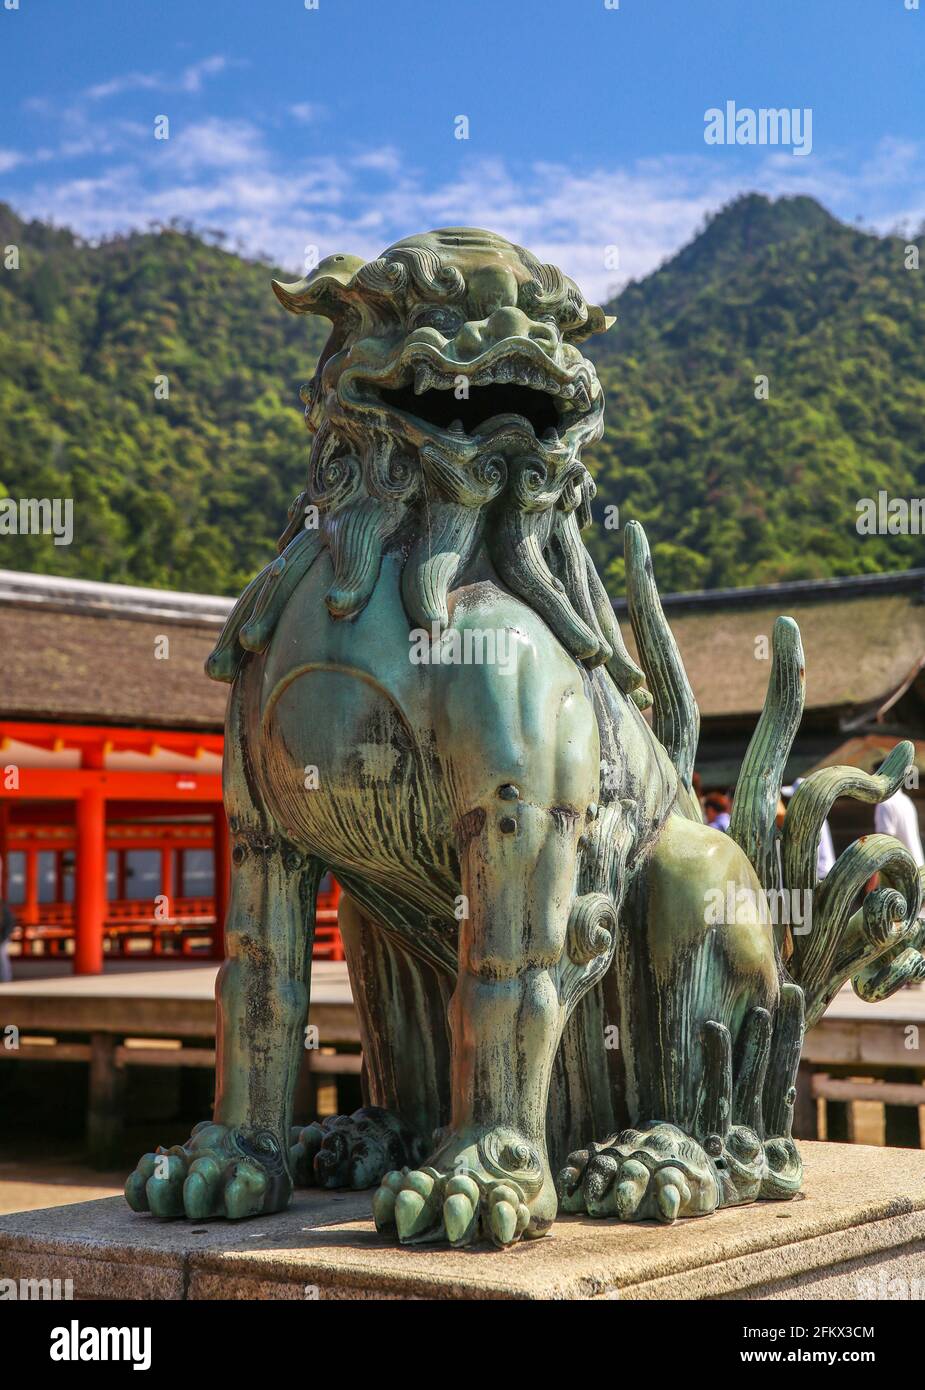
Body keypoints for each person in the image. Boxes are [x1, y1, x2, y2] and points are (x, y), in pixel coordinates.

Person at [0, 899, 15, 984]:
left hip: (2, 938)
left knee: (2, 959)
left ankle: (5, 979)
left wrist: (4, 937)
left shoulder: (3, 908)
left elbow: (9, 924)